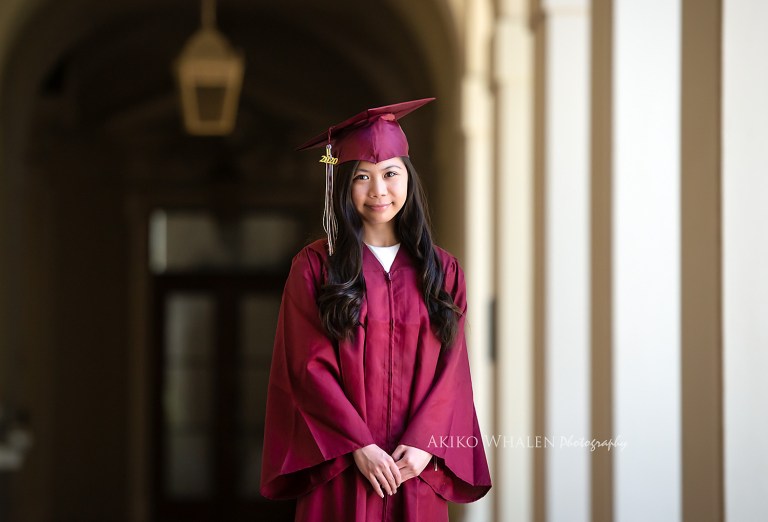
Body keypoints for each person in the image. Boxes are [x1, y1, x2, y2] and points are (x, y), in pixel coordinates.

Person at [260, 98, 491, 521]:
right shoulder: (315, 267)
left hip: (412, 469)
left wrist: (425, 443)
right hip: (342, 467)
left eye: (390, 174)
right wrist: (359, 445)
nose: (379, 190)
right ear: (343, 185)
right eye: (362, 177)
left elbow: (453, 368)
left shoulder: (442, 270)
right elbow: (307, 366)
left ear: (408, 178)